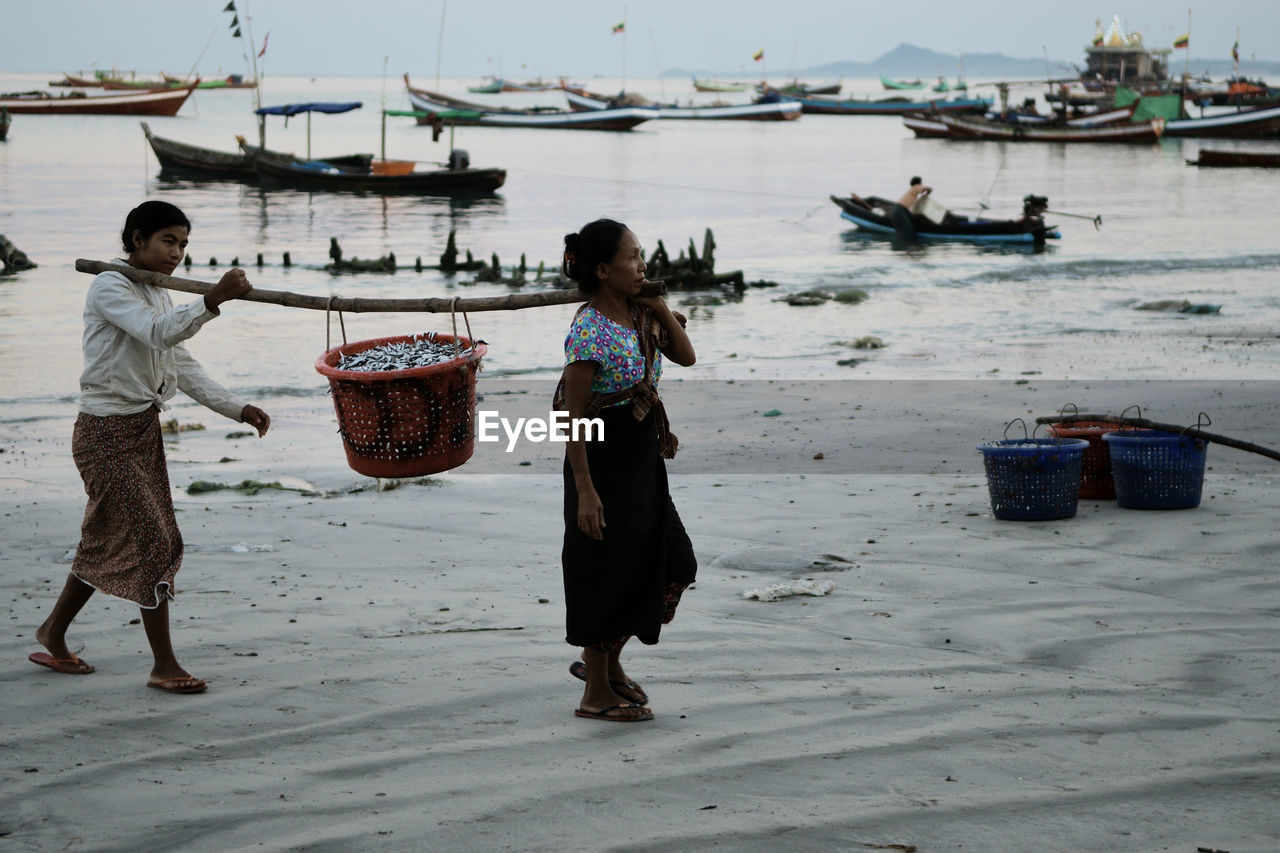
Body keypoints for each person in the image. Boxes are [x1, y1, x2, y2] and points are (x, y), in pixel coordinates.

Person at [29, 200, 270, 694]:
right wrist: (211, 301)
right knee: (153, 542)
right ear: (137, 239)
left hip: (142, 431)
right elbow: (157, 332)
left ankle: (53, 632)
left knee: (105, 541)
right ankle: (164, 665)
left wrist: (236, 408)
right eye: (168, 241)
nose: (177, 253)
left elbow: (180, 363)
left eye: (183, 244)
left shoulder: (157, 292)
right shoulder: (110, 287)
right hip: (104, 434)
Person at [558, 218, 697, 723]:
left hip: (641, 457)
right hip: (600, 458)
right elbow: (572, 420)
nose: (641, 265)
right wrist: (586, 491)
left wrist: (657, 303)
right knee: (606, 571)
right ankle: (595, 692)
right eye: (632, 257)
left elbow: (686, 356)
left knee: (672, 564)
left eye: (642, 256)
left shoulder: (642, 315)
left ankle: (610, 667)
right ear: (601, 269)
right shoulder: (588, 330)